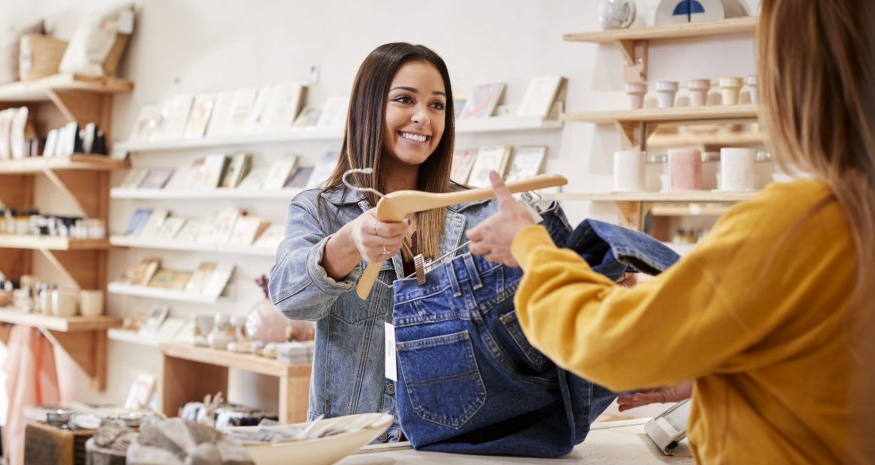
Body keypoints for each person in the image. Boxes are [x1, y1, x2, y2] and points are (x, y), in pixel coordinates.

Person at [465, 1, 875, 463]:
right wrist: (720, 370)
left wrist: (530, 245)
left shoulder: (797, 224)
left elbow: (611, 342)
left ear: (794, 78)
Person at [268, 42, 499, 441]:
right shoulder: (319, 209)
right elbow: (289, 298)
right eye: (404, 99)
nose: (423, 117)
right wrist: (348, 242)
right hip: (353, 444)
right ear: (368, 107)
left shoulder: (479, 213)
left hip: (453, 442)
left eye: (437, 105)